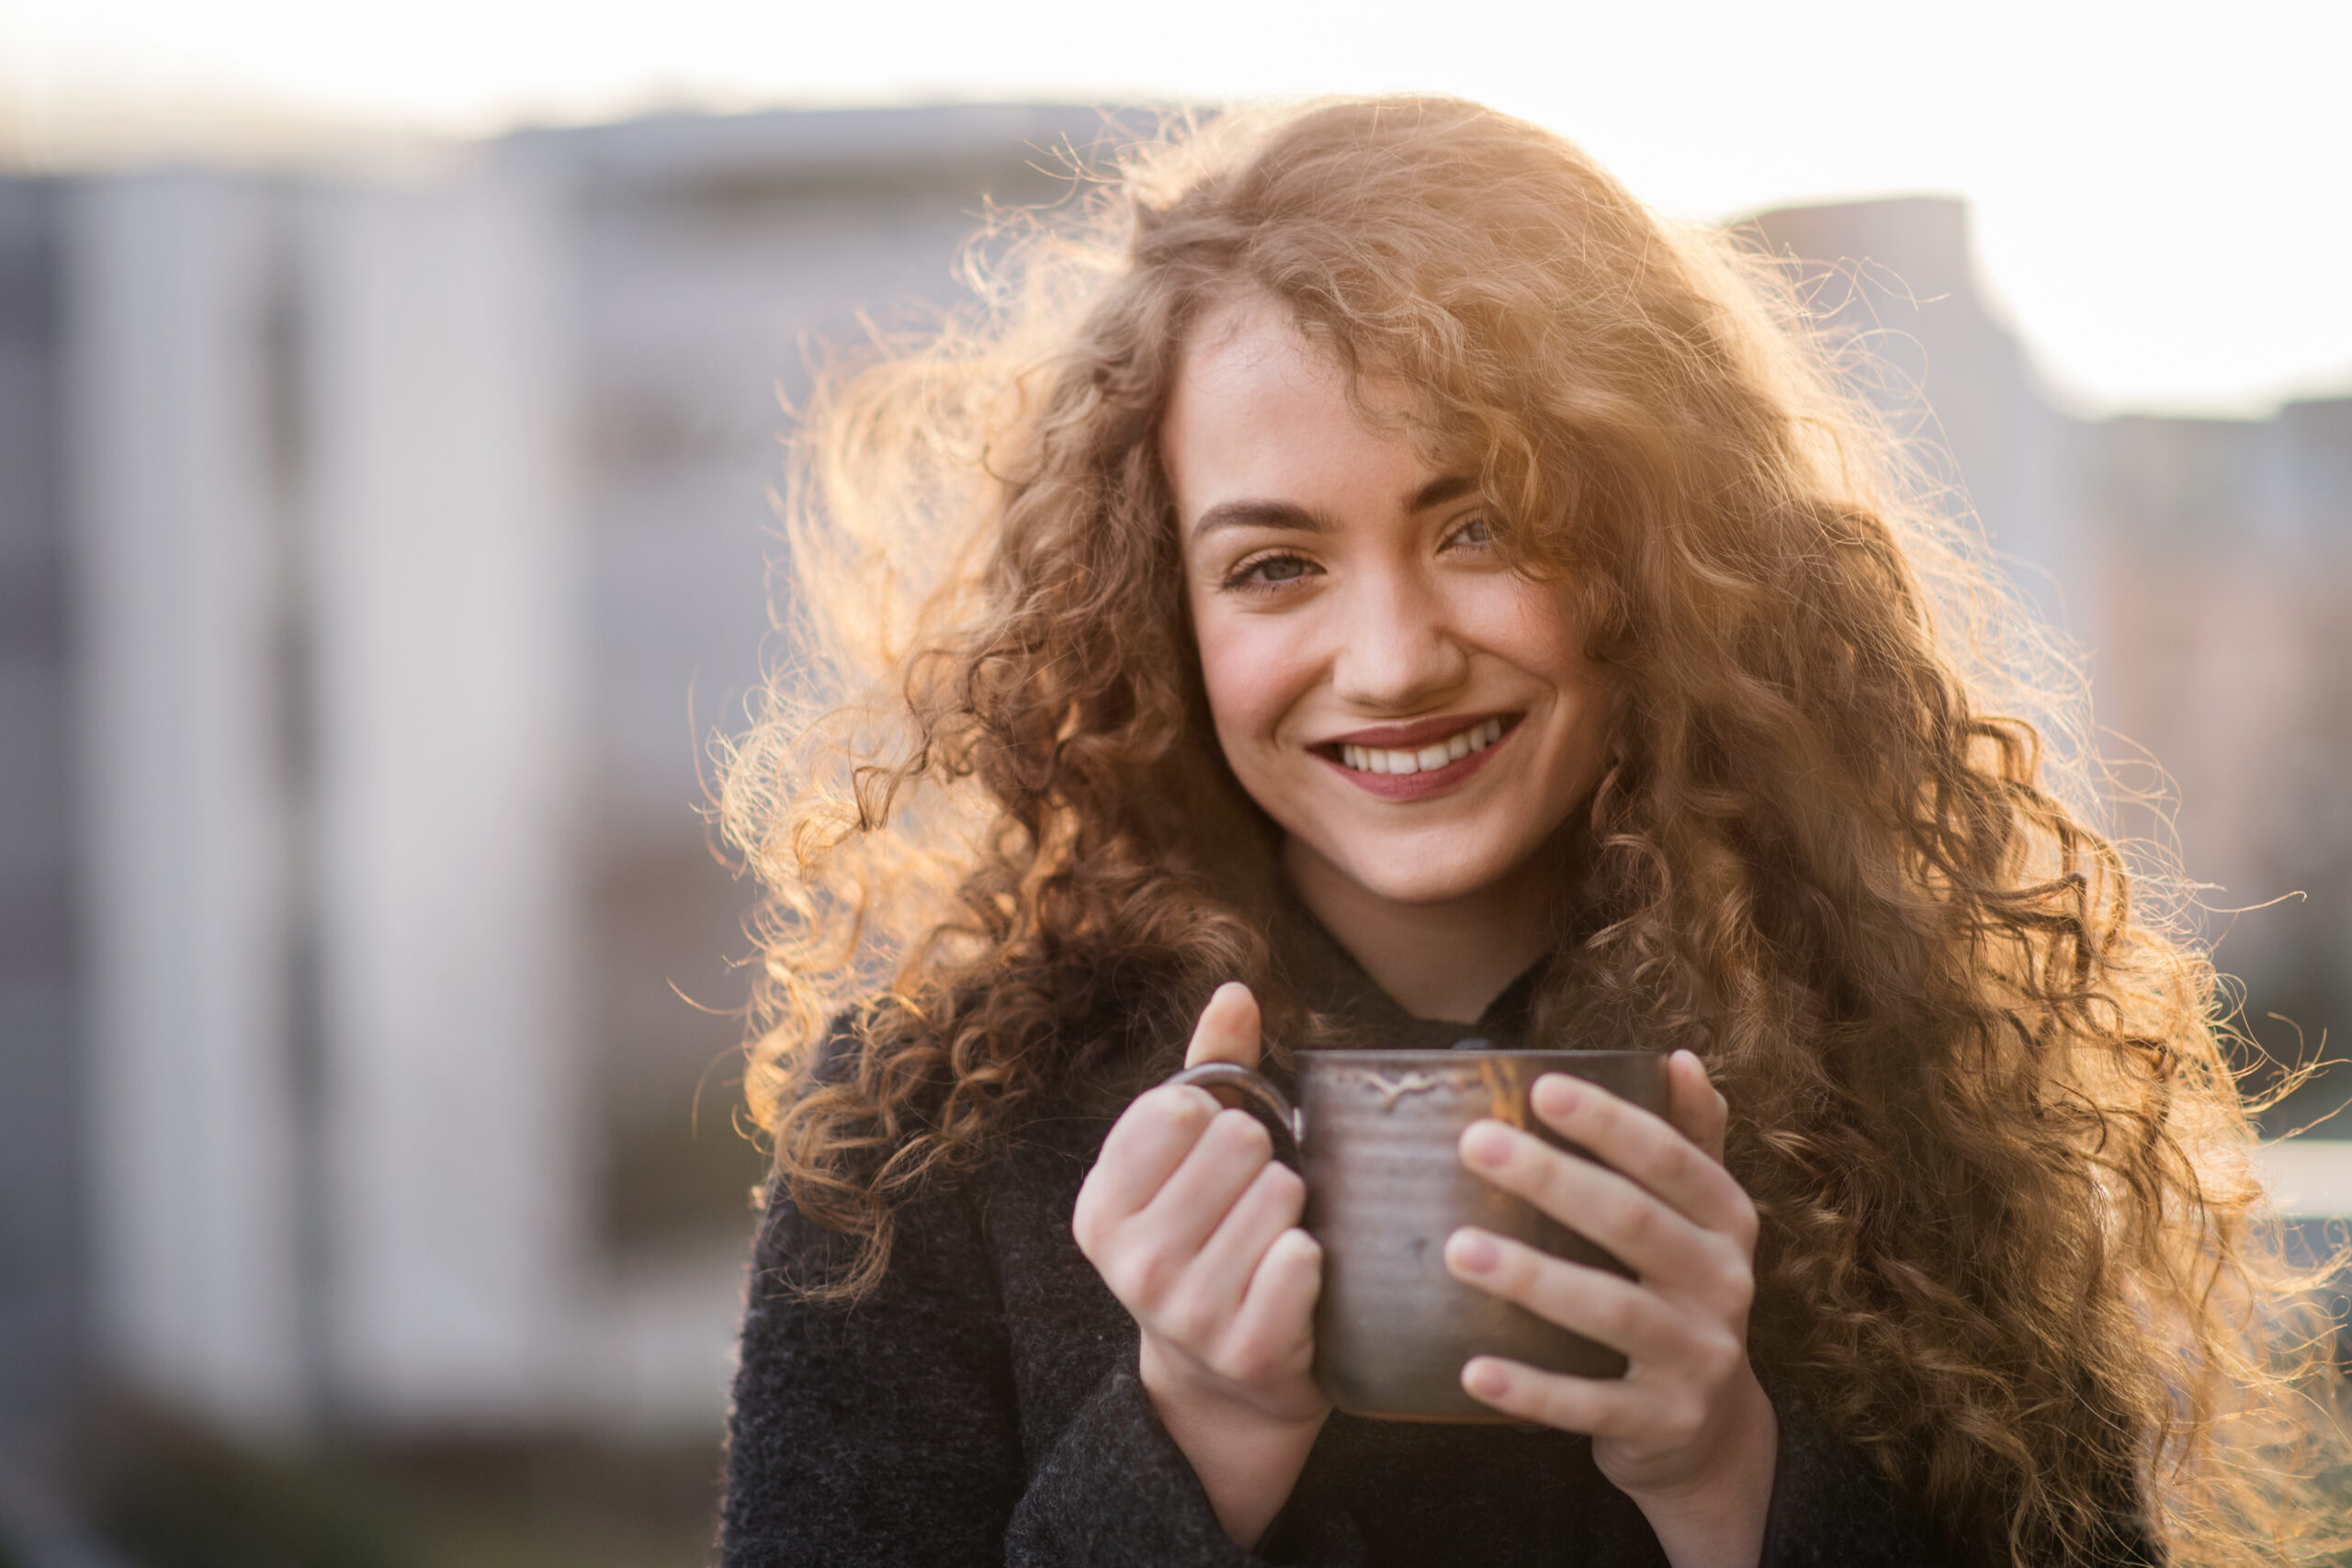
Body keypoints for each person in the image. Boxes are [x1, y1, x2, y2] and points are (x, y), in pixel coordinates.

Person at [712, 98, 2344, 1567]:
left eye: (1483, 524)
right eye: (1276, 565)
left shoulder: (1904, 1070)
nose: (1396, 656)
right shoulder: (929, 1132)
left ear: (1655, 548)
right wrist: (1189, 1443)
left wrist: (1731, 1479)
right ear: (1164, 617)